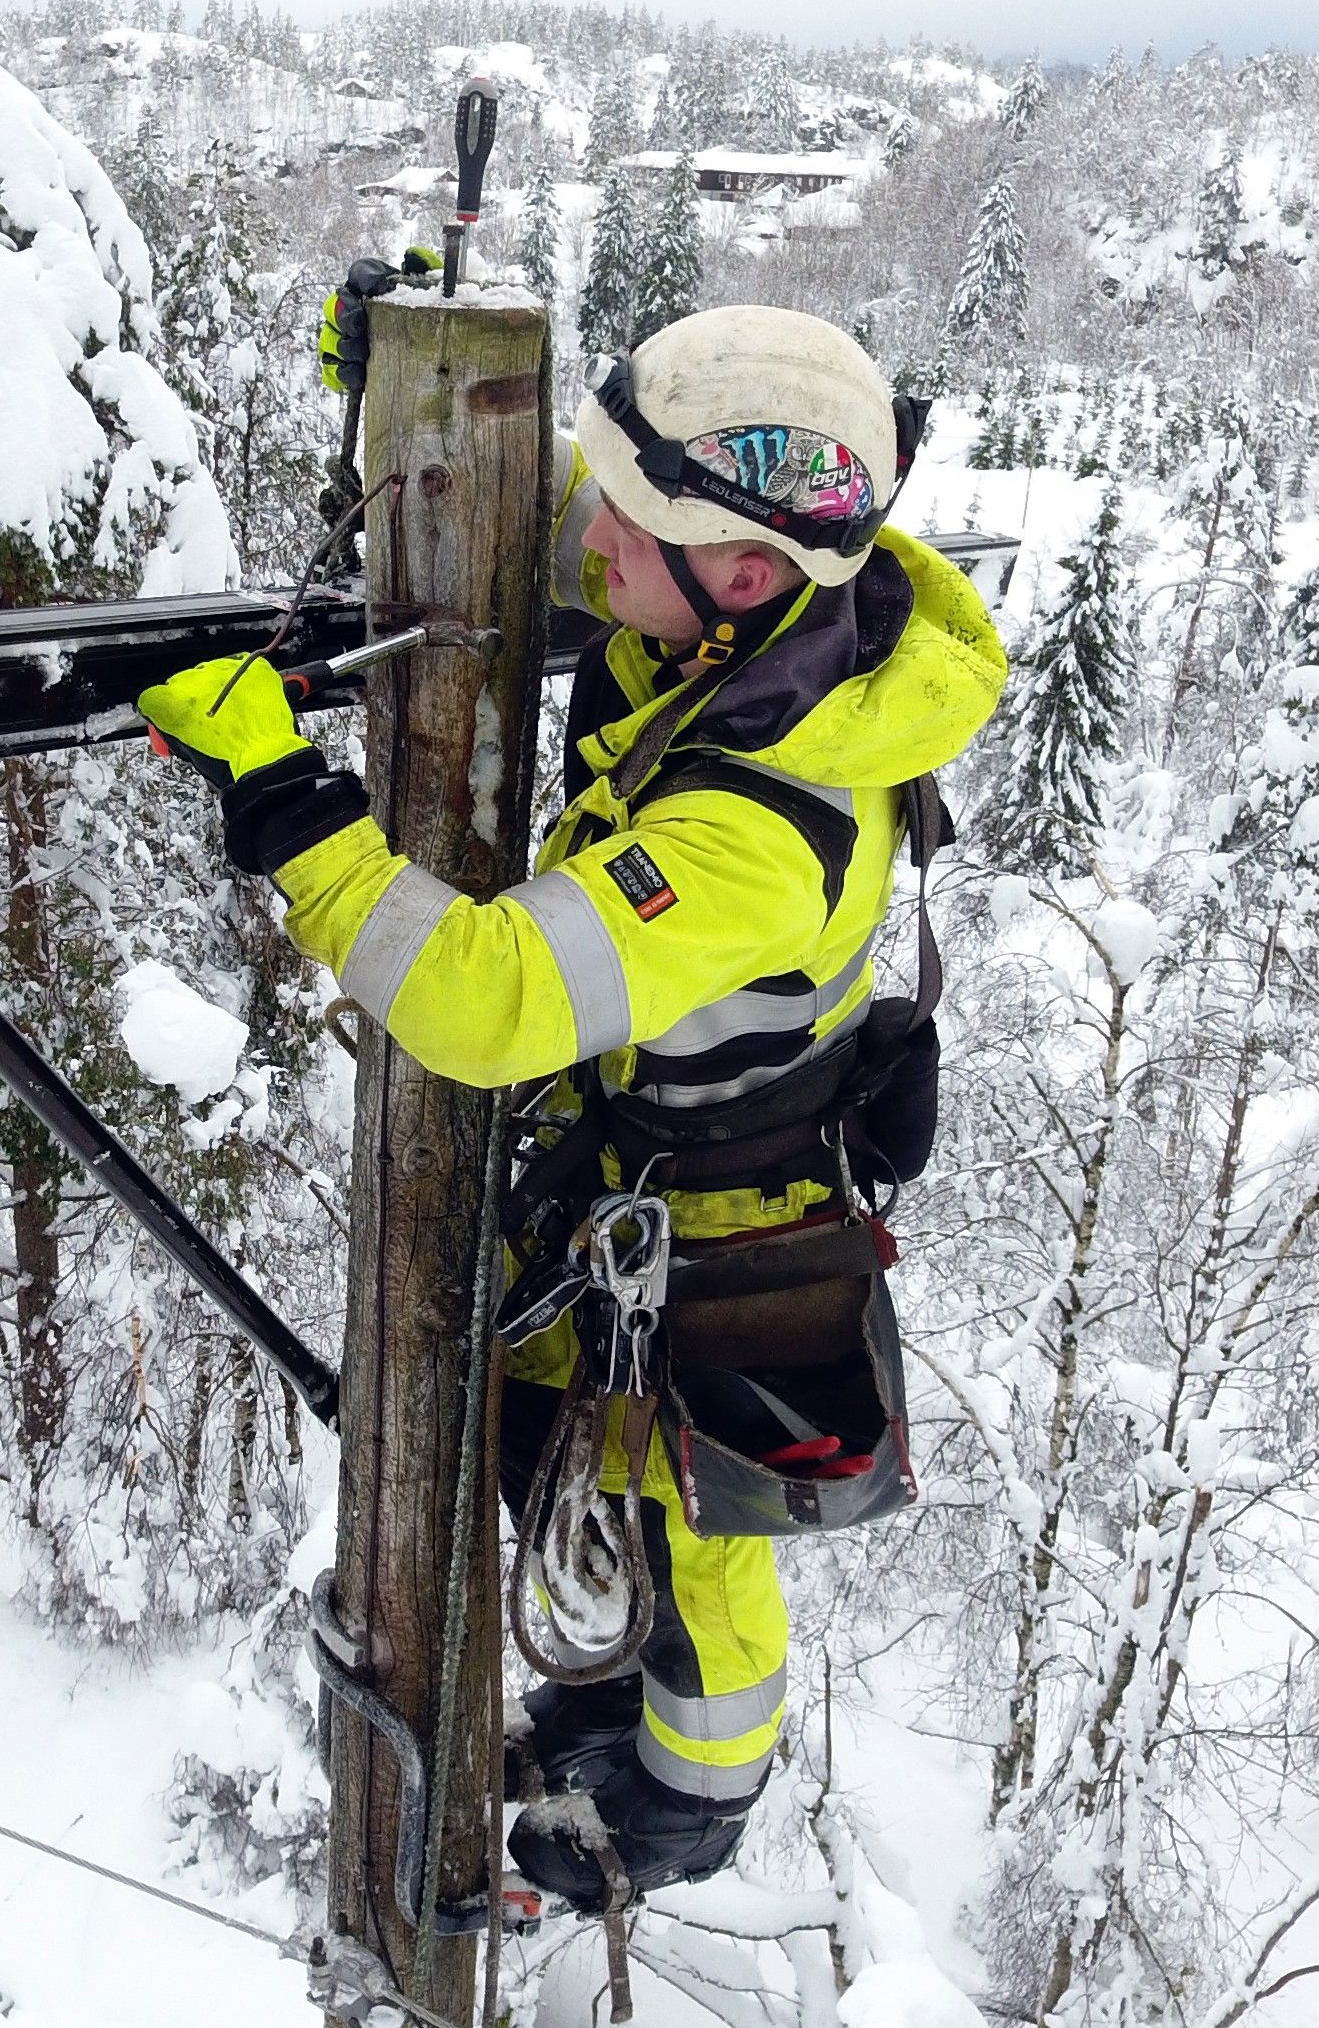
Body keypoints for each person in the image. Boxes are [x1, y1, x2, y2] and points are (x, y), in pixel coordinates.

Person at [137, 302, 1008, 1911]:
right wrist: (422, 400)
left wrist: (285, 800)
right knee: (563, 1449)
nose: (586, 536)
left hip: (726, 1237)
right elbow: (558, 526)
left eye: (631, 517)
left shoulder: (765, 825)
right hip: (645, 1179)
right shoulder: (764, 624)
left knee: (695, 1528)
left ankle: (676, 1812)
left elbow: (482, 997)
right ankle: (609, 1722)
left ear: (744, 574)